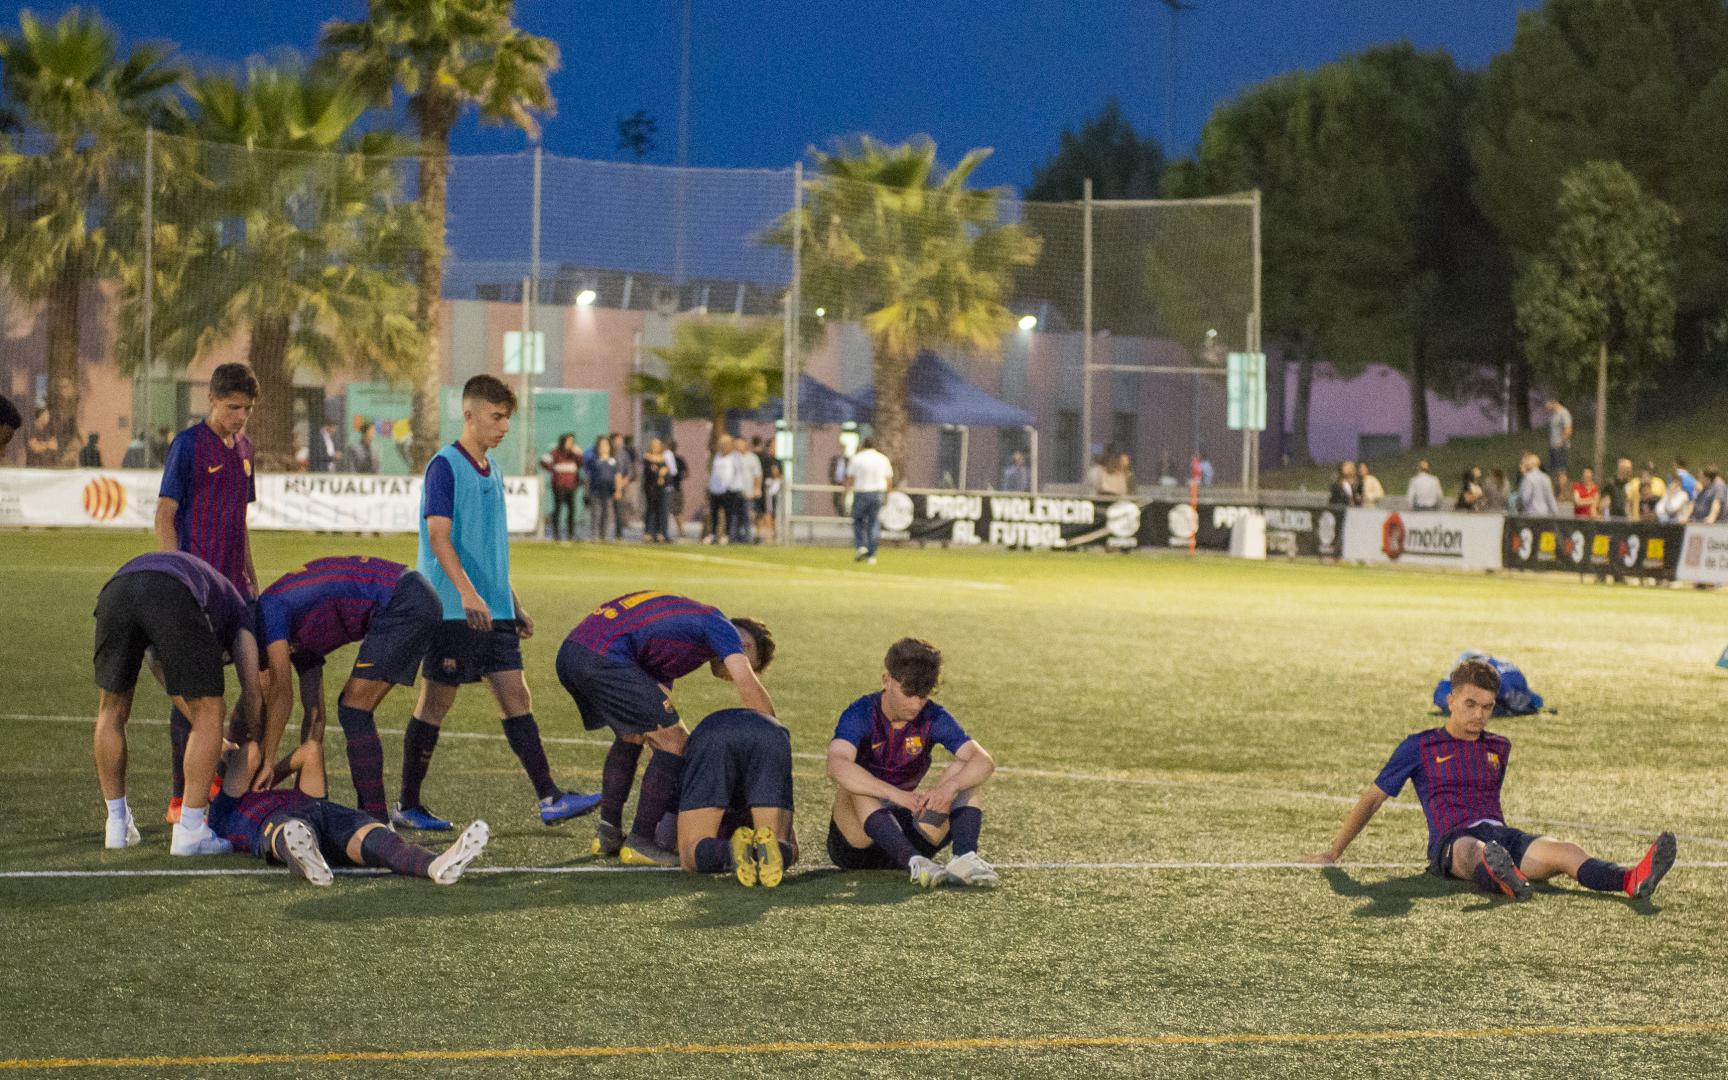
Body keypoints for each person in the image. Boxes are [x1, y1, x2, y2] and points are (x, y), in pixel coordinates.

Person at [393, 374, 601, 832]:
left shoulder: (494, 469)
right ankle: (407, 804)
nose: (504, 426)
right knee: (434, 703)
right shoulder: (444, 466)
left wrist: (513, 602)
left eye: (507, 417)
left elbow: (491, 548)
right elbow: (438, 536)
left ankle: (550, 798)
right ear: (469, 415)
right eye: (497, 417)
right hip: (452, 609)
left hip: (495, 611)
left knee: (516, 695)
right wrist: (467, 593)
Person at [1307, 657, 1675, 904]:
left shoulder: (1500, 746)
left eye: (1487, 707)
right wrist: (1334, 851)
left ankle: (1631, 879)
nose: (1480, 715)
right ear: (1450, 700)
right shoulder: (1419, 746)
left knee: (1565, 850)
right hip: (1451, 844)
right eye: (1470, 704)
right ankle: (1501, 876)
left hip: (1502, 835)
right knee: (1473, 851)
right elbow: (1372, 799)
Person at [554, 591, 775, 866]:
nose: (732, 673)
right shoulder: (721, 626)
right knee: (674, 741)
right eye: (747, 661)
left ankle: (608, 834)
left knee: (634, 734)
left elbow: (655, 733)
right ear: (744, 645)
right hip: (604, 656)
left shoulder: (680, 639)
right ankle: (640, 842)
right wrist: (773, 737)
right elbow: (747, 685)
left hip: (573, 653)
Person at [92, 550, 262, 856]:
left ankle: (117, 825)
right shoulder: (241, 614)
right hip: (171, 591)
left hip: (116, 589)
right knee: (212, 708)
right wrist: (259, 748)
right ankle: (191, 831)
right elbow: (253, 691)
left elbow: (165, 671)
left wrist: (217, 740)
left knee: (112, 709)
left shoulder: (212, 592)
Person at [255, 556, 443, 820]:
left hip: (403, 600)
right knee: (353, 709)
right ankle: (373, 819)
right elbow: (315, 715)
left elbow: (281, 692)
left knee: (354, 709)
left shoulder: (269, 610)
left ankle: (375, 821)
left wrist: (267, 762)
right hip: (410, 595)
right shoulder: (294, 635)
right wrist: (306, 786)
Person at [155, 362, 260, 823]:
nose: (240, 417)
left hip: (235, 592)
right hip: (195, 588)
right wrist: (176, 574)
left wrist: (251, 577)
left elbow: (240, 520)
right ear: (213, 401)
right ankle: (181, 798)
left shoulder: (246, 449)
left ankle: (221, 767)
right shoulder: (188, 446)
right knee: (195, 686)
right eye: (233, 407)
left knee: (258, 681)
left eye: (247, 409)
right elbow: (164, 514)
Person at [826, 638, 998, 888]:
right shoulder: (861, 713)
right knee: (854, 781)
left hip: (912, 831)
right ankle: (914, 861)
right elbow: (836, 765)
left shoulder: (933, 715)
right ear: (887, 680)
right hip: (857, 843)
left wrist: (949, 788)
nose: (916, 704)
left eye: (923, 695)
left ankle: (964, 857)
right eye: (909, 693)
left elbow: (984, 761)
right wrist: (897, 795)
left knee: (964, 769)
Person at [209, 738, 488, 887]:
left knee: (381, 841)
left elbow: (311, 751)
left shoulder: (278, 792)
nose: (233, 747)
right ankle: (304, 858)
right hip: (274, 823)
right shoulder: (227, 808)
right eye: (229, 753)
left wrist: (273, 776)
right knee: (287, 829)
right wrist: (232, 753)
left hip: (326, 815)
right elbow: (252, 751)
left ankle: (436, 866)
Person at [675, 708, 798, 888]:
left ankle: (731, 851)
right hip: (771, 733)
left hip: (713, 734)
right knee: (782, 844)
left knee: (688, 853)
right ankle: (774, 850)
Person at [846, 437, 894, 564]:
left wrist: (846, 492)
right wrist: (887, 495)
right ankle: (872, 556)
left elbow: (850, 478)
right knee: (873, 523)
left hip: (861, 492)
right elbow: (889, 480)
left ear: (862, 445)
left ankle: (861, 546)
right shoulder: (882, 459)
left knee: (858, 521)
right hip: (877, 493)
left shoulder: (857, 458)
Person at [539, 434, 584, 542]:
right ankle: (556, 534)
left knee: (571, 510)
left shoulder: (574, 454)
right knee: (558, 509)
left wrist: (579, 454)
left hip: (571, 486)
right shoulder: (555, 452)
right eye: (568, 441)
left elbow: (582, 464)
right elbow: (543, 462)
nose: (570, 444)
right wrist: (553, 469)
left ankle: (571, 534)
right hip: (559, 486)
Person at [584, 436, 622, 542]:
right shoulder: (594, 461)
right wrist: (586, 492)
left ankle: (603, 535)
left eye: (606, 445)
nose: (604, 448)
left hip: (609, 491)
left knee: (607, 513)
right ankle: (594, 535)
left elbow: (617, 476)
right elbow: (588, 477)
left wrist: (618, 490)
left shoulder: (613, 461)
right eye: (602, 445)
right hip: (595, 491)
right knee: (596, 513)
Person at [728, 435, 760, 544]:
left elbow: (757, 475)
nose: (737, 446)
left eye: (739, 443)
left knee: (747, 516)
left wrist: (756, 489)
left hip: (748, 491)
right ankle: (733, 538)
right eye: (736, 444)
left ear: (745, 444)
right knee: (734, 516)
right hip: (735, 491)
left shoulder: (752, 458)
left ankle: (748, 538)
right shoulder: (733, 457)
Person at [705, 440, 737, 543]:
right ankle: (713, 534)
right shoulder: (717, 456)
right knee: (714, 513)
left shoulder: (734, 457)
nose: (723, 447)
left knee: (728, 514)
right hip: (715, 490)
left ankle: (727, 535)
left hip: (728, 490)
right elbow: (713, 472)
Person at [641, 436, 672, 543]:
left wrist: (664, 471)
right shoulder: (647, 458)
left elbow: (669, 470)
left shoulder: (664, 458)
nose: (656, 447)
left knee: (661, 510)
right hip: (651, 488)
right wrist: (659, 472)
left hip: (662, 488)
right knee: (651, 510)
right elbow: (648, 472)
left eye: (658, 445)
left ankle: (660, 533)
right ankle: (649, 533)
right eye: (654, 445)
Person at [1516, 452, 1560, 517]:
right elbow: (1550, 498)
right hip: (1544, 514)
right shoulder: (1545, 477)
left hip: (1531, 514)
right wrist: (1556, 513)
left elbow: (1525, 499)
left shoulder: (1528, 478)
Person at [665, 440, 687, 540]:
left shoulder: (666, 459)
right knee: (677, 511)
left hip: (671, 487)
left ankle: (680, 531)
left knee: (676, 510)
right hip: (676, 487)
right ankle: (680, 531)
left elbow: (685, 473)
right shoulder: (680, 459)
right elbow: (686, 473)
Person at [1545, 398, 1573, 476]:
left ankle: (1563, 488)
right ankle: (1556, 488)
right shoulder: (1554, 414)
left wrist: (1561, 443)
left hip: (1560, 447)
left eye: (1547, 403)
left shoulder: (1564, 413)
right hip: (1553, 446)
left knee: (1561, 472)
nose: (1546, 406)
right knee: (1554, 472)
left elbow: (1568, 430)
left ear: (1553, 402)